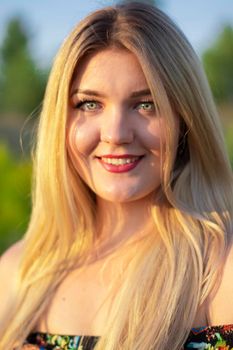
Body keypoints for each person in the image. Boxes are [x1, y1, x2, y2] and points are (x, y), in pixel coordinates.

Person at [0, 2, 233, 349]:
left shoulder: (218, 267)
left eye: (146, 104)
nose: (116, 133)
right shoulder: (20, 271)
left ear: (185, 118)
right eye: (89, 104)